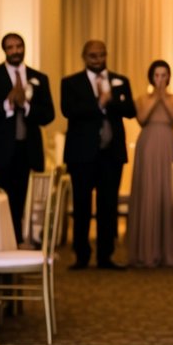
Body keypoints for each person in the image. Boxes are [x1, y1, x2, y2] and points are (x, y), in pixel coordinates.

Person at [61, 39, 136, 269]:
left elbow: (131, 111)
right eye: (93, 56)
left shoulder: (120, 80)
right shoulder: (71, 82)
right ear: (84, 57)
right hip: (81, 154)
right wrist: (98, 103)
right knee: (82, 205)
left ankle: (106, 255)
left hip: (111, 154)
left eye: (102, 55)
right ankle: (81, 255)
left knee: (108, 205)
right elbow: (68, 111)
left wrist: (110, 102)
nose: (98, 59)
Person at [0, 32, 55, 242]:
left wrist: (25, 106)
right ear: (4, 50)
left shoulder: (39, 78)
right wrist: (8, 104)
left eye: (19, 46)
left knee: (18, 206)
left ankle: (15, 246)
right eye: (10, 47)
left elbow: (48, 115)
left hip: (26, 152)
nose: (15, 50)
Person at [128, 59, 173, 267]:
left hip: (168, 145)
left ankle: (167, 252)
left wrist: (163, 98)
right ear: (151, 77)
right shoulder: (142, 99)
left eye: (164, 75)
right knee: (148, 193)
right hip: (148, 145)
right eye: (157, 75)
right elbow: (142, 118)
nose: (160, 79)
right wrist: (156, 97)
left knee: (167, 193)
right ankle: (145, 251)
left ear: (169, 77)